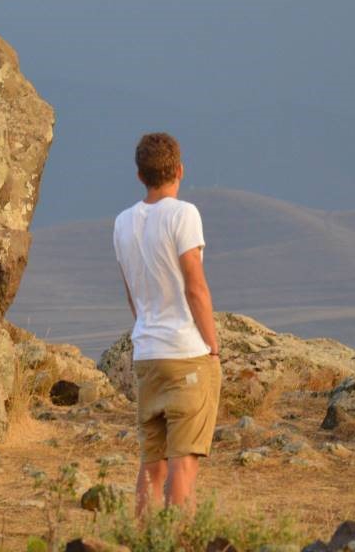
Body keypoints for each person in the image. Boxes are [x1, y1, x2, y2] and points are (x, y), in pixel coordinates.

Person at [113, 132, 221, 516]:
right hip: (186, 352)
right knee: (184, 462)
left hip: (146, 354)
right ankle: (177, 541)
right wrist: (213, 346)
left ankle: (143, 539)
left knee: (151, 464)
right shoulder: (184, 214)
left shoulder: (123, 223)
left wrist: (147, 331)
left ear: (140, 175)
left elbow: (132, 295)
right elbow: (196, 287)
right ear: (179, 170)